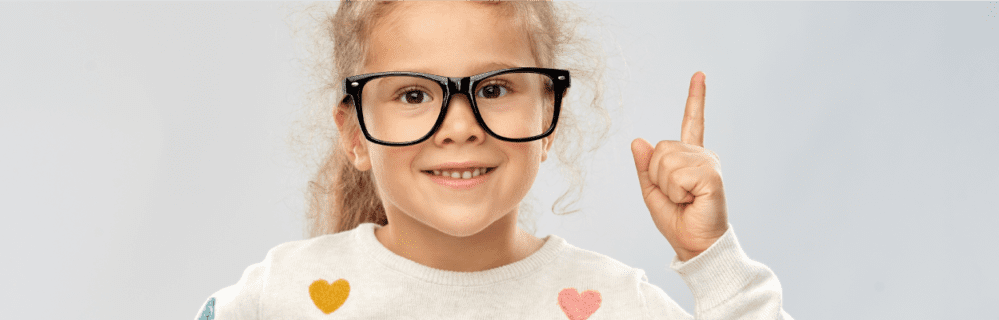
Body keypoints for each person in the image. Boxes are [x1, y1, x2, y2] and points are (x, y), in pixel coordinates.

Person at [196, 1, 792, 319]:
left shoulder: (612, 303)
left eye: (495, 89)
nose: (459, 128)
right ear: (355, 135)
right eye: (412, 94)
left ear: (547, 117)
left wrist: (712, 262)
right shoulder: (283, 294)